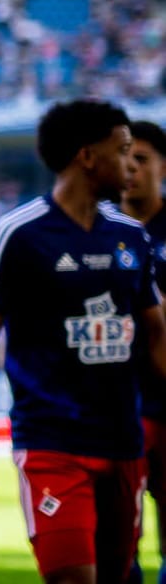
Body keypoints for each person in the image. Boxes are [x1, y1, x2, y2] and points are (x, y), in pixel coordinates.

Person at [0, 99, 166, 584]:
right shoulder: (18, 232)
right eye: (123, 151)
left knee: (119, 575)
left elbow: (155, 333)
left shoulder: (131, 237)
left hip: (123, 442)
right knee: (72, 576)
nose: (131, 165)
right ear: (88, 157)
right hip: (51, 442)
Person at [125, 120, 166, 584]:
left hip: (163, 399)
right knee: (119, 532)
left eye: (142, 159)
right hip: (114, 402)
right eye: (125, 158)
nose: (131, 169)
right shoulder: (93, 229)